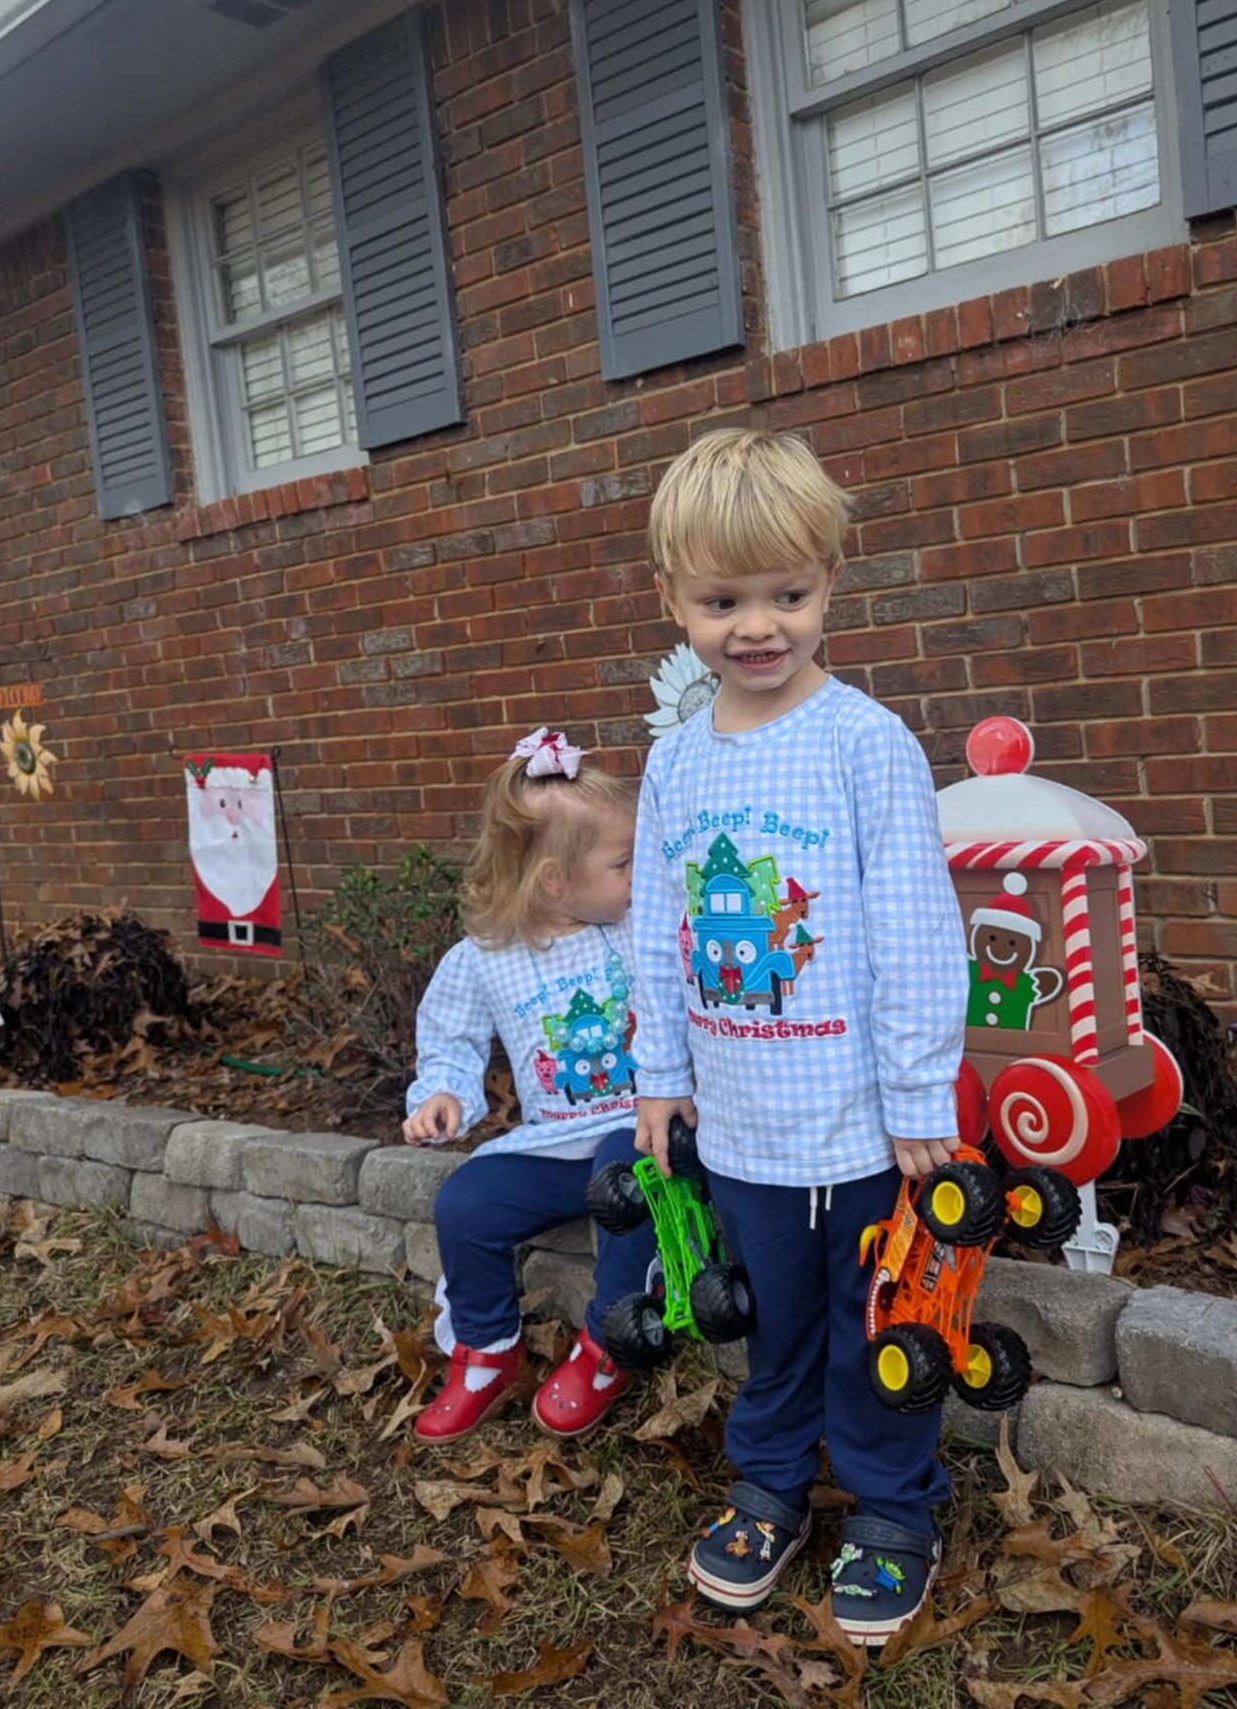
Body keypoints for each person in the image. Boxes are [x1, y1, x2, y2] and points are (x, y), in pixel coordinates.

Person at [630, 429, 969, 1647]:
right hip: (743, 1122)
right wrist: (657, 1077)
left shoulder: (863, 742)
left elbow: (916, 925)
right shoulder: (673, 764)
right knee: (773, 1318)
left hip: (870, 1124)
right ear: (671, 599)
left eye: (787, 592)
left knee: (883, 1316)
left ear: (831, 579)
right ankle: (768, 1482)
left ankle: (890, 1503)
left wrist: (921, 1090)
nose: (756, 625)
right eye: (722, 600)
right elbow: (659, 930)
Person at [405, 727, 653, 1443]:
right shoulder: (483, 959)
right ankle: (486, 1352)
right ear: (554, 879)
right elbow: (449, 1038)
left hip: (647, 1133)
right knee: (466, 1203)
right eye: (624, 862)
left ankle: (609, 1342)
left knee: (624, 1167)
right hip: (555, 1143)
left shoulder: (641, 927)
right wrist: (441, 1095)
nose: (639, 877)